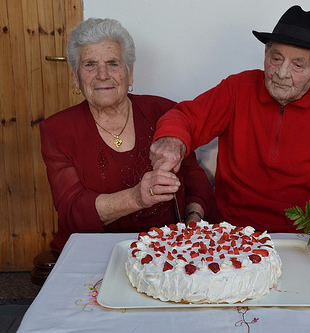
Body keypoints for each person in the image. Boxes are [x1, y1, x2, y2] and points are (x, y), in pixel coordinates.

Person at [150, 6, 310, 233]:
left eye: (297, 65)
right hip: (232, 231)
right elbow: (187, 117)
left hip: (304, 237)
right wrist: (173, 140)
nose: (281, 73)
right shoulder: (237, 89)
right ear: (265, 56)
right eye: (276, 58)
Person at [40, 18, 217, 253]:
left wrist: (193, 220)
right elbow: (72, 210)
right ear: (76, 77)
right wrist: (136, 198)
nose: (103, 75)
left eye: (113, 63)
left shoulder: (165, 113)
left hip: (168, 248)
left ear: (130, 73)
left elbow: (195, 181)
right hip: (96, 250)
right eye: (90, 64)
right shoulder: (58, 130)